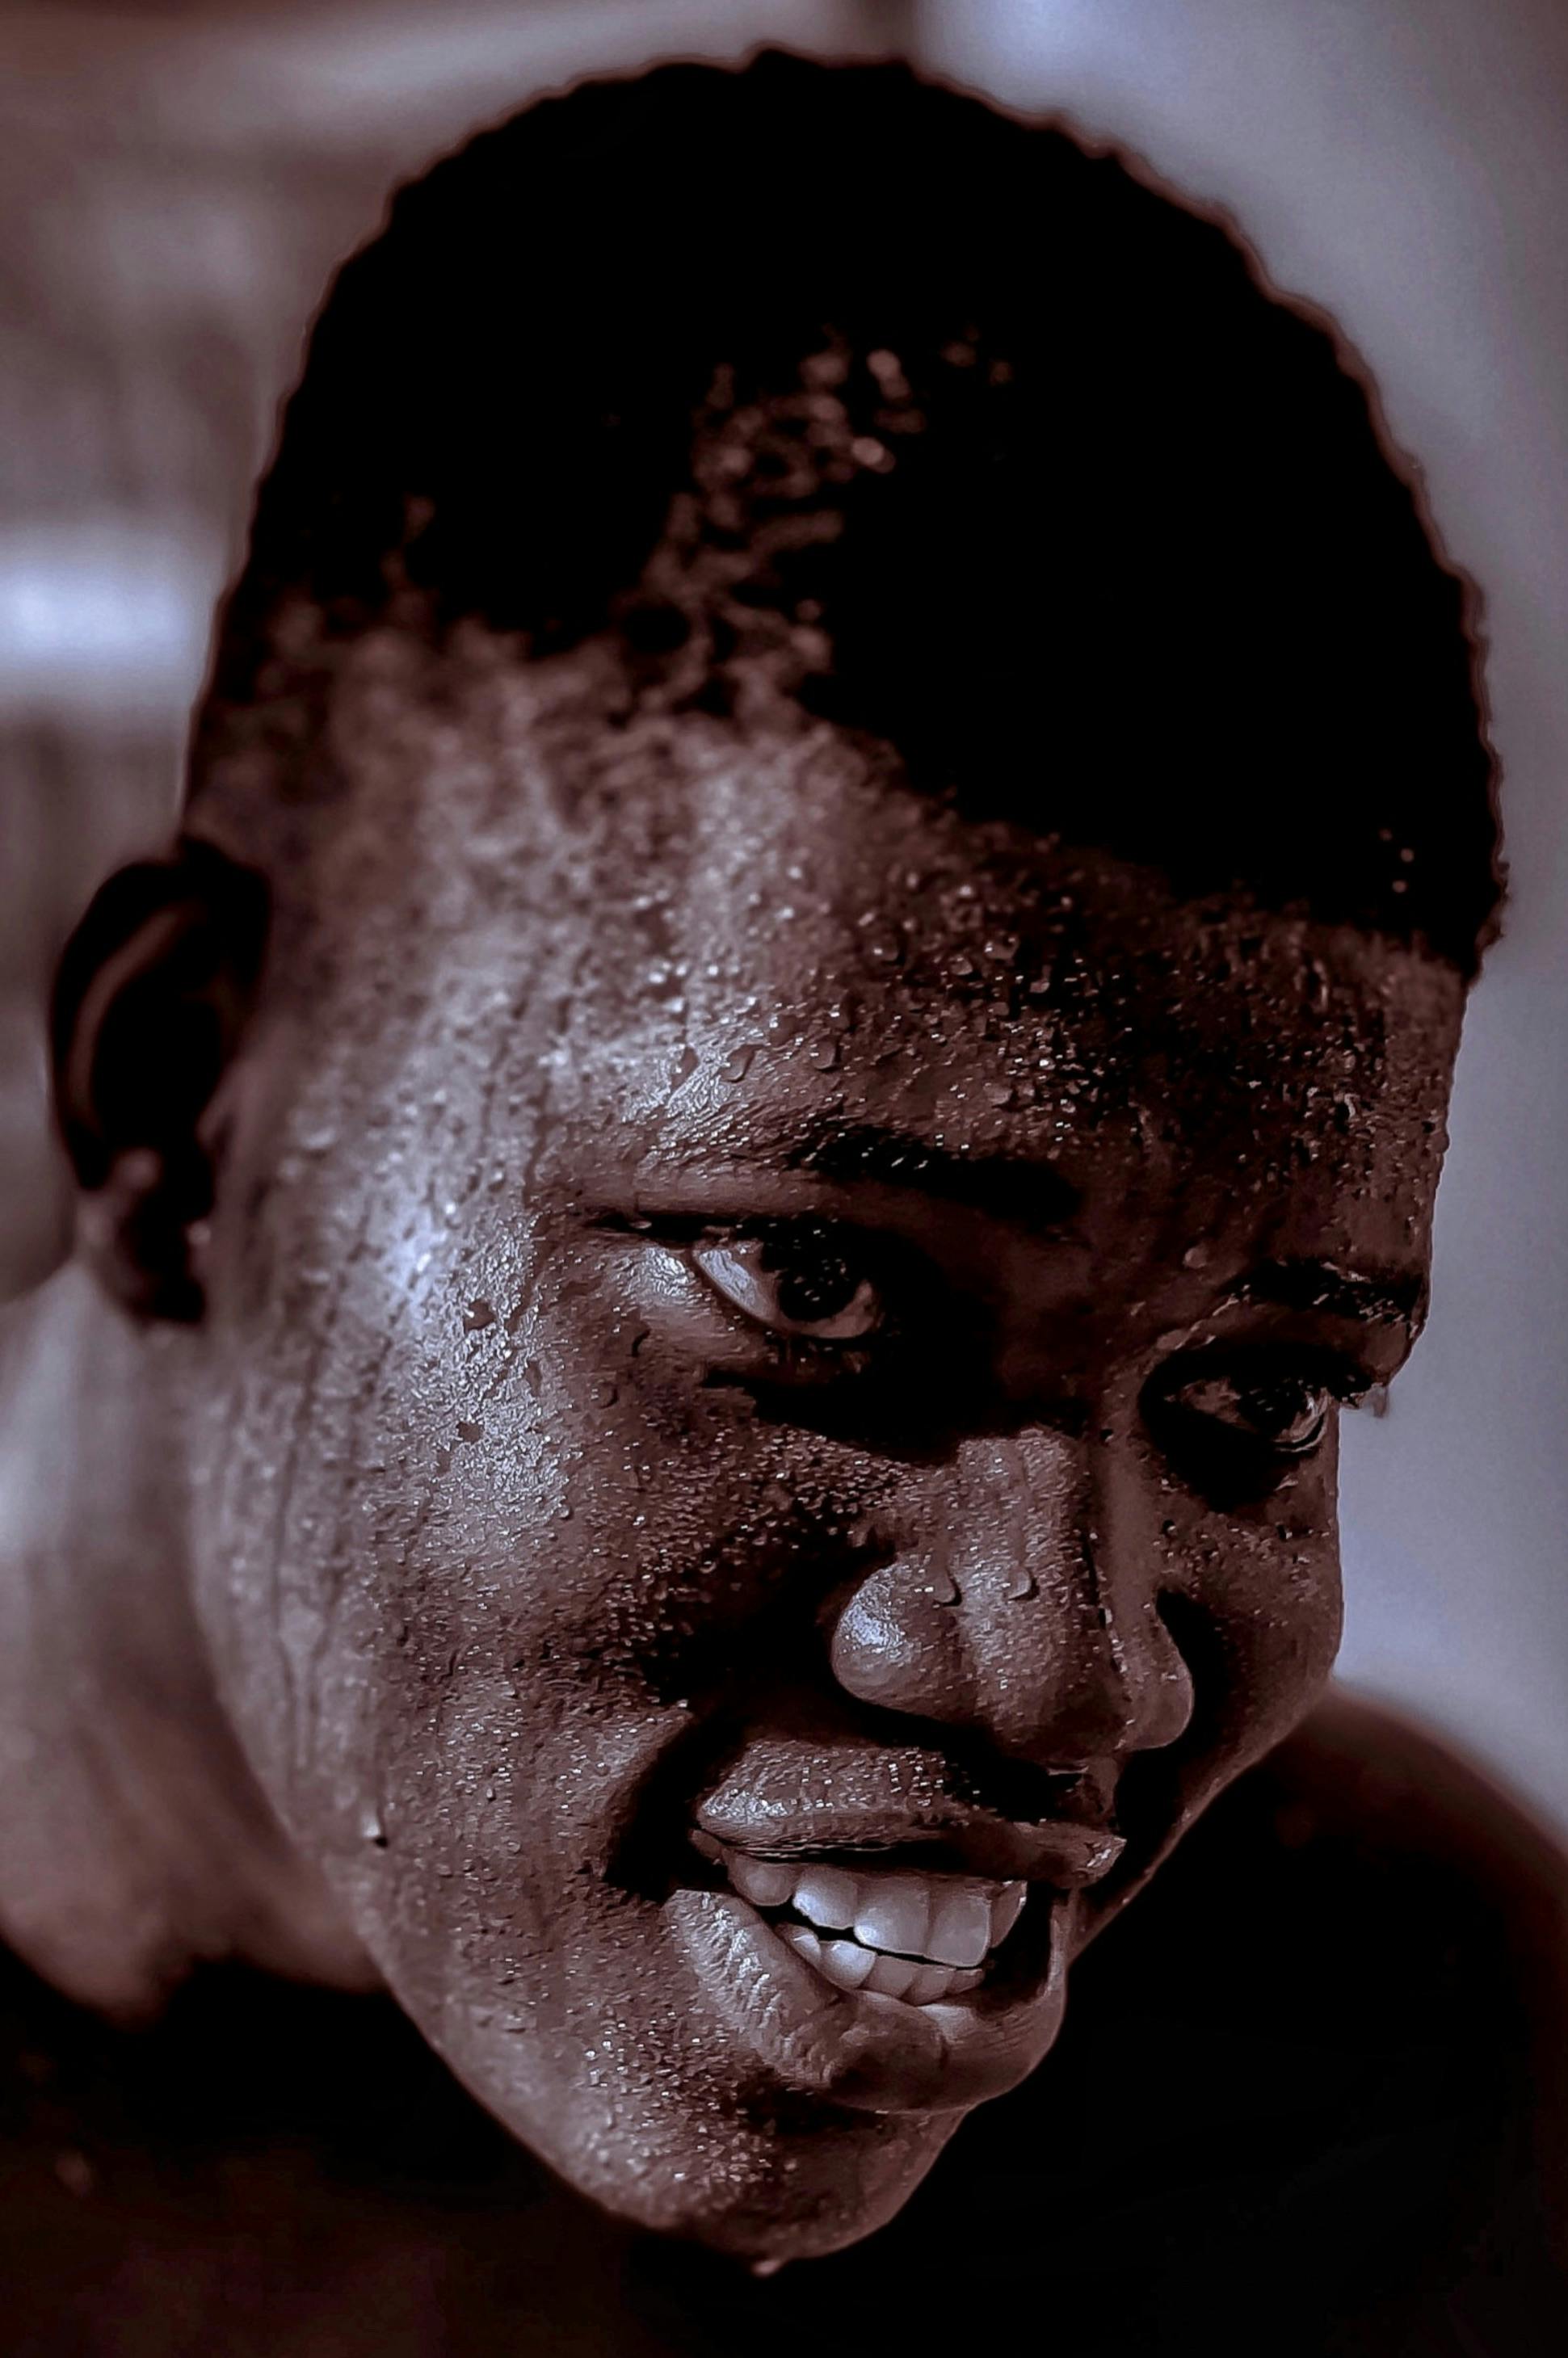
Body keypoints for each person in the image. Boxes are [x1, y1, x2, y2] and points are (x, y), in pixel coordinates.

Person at [0, 46, 1562, 2355]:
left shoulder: (1357, 2095)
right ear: (181, 1108)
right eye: (820, 1283)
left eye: (1259, 1401)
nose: (1078, 1668)